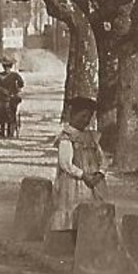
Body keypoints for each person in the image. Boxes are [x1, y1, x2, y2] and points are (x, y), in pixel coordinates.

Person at [48, 97, 106, 232]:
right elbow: (65, 163)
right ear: (73, 115)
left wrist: (100, 173)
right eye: (82, 116)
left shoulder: (91, 137)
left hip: (92, 181)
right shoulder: (66, 137)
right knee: (71, 207)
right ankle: (68, 237)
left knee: (93, 206)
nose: (85, 120)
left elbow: (102, 158)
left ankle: (89, 236)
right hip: (72, 181)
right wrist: (82, 175)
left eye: (89, 117)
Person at [0, 57, 25, 139]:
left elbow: (21, 83)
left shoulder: (15, 75)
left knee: (12, 109)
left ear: (10, 67)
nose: (7, 68)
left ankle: (10, 129)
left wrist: (17, 88)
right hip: (1, 97)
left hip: (11, 97)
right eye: (5, 67)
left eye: (8, 67)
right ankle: (2, 128)